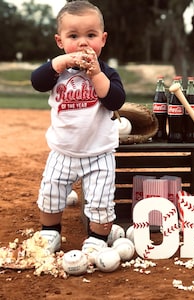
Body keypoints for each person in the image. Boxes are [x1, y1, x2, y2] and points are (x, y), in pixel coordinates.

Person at [31, 0, 126, 258]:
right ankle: (50, 233)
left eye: (91, 35)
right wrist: (59, 63)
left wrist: (95, 73)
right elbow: (36, 81)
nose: (83, 43)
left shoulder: (106, 72)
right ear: (60, 41)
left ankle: (97, 239)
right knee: (51, 193)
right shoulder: (55, 73)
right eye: (73, 36)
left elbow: (115, 100)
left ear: (103, 40)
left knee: (100, 203)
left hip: (99, 154)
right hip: (63, 151)